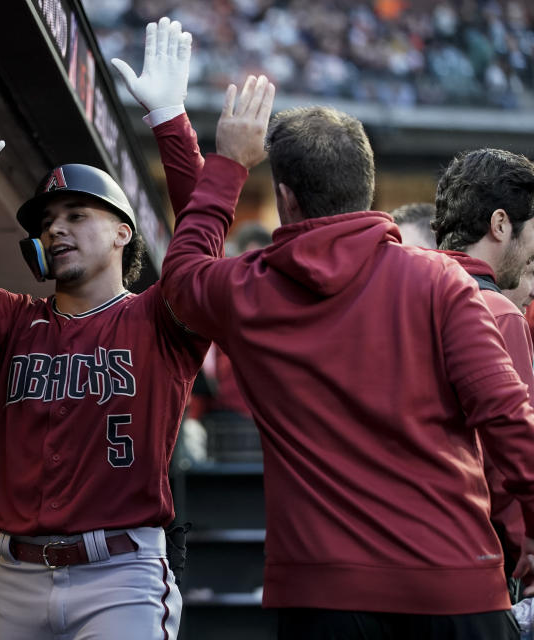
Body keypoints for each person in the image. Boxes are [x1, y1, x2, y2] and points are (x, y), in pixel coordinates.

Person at [160, 74, 534, 638]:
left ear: (284, 197)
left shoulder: (245, 289)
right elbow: (509, 421)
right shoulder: (442, 282)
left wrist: (227, 164)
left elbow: (183, 270)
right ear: (367, 183)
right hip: (455, 590)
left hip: (323, 600)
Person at [0, 17, 206, 639]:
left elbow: (205, 241)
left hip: (122, 576)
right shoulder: (15, 320)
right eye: (46, 221)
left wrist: (170, 119)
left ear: (123, 232)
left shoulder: (160, 318)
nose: (56, 228)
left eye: (76, 214)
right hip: (16, 577)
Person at [430, 148, 534, 594]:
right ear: (500, 224)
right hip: (476, 563)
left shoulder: (404, 294)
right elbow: (510, 456)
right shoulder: (498, 312)